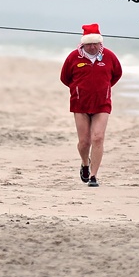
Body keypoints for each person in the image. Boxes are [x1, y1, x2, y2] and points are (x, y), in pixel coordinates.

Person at [59, 23, 122, 188]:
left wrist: (104, 89)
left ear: (100, 43)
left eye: (96, 43)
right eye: (89, 44)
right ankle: (84, 164)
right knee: (84, 141)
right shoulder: (74, 57)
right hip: (80, 104)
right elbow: (65, 78)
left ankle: (94, 176)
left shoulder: (109, 56)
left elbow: (116, 74)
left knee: (98, 137)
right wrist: (78, 90)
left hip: (102, 104)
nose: (93, 47)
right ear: (83, 43)